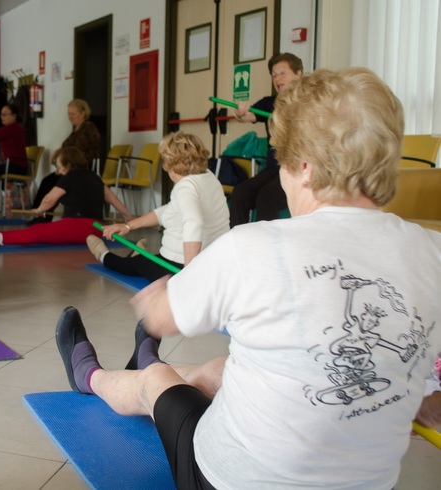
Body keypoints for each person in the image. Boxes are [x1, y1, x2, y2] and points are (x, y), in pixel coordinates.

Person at [55, 68, 441, 489]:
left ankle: (92, 376)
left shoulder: (253, 246)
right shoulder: (433, 250)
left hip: (226, 480)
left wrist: (160, 297)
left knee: (155, 382)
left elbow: (162, 319)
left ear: (306, 168)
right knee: (226, 366)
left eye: (284, 164)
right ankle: (150, 362)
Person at [87, 132, 229, 282]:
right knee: (145, 261)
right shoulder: (209, 177)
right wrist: (128, 226)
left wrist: (189, 274)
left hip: (179, 265)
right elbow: (168, 211)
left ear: (170, 163)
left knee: (135, 264)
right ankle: (138, 252)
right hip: (214, 261)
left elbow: (194, 224)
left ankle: (103, 255)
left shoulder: (185, 187)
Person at [0, 146, 132, 248]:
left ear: (68, 164)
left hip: (78, 227)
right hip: (97, 228)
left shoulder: (69, 177)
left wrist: (40, 210)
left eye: (59, 165)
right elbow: (113, 199)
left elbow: (49, 199)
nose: (58, 170)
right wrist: (127, 216)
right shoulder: (94, 177)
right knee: (40, 230)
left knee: (37, 230)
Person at [229, 52, 303, 227]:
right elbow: (247, 115)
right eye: (274, 75)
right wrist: (240, 113)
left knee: (267, 197)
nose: (277, 78)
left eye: (282, 72)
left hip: (297, 171)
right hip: (273, 170)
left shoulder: (308, 103)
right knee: (240, 193)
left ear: (298, 73)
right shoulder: (270, 103)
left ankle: (266, 248)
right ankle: (237, 242)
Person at [30, 99, 101, 224]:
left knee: (52, 183)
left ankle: (41, 216)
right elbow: (68, 148)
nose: (70, 117)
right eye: (69, 114)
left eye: (73, 114)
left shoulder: (88, 128)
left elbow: (79, 152)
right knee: (46, 181)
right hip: (69, 167)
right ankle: (38, 214)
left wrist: (65, 160)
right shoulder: (76, 130)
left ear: (83, 113)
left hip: (79, 170)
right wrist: (59, 152)